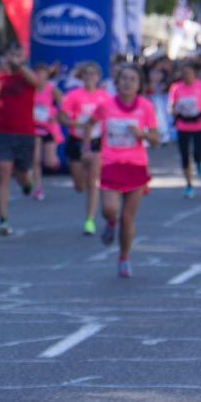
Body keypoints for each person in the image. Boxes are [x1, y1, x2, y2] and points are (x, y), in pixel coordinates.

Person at [89, 64, 160, 277]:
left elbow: (156, 139)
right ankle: (110, 223)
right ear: (117, 83)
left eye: (132, 79)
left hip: (136, 167)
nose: (128, 83)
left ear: (139, 85)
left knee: (128, 219)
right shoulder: (106, 106)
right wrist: (86, 145)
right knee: (110, 209)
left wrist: (142, 134)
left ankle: (124, 257)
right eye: (124, 78)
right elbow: (91, 123)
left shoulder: (146, 107)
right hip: (111, 164)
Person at [0, 45, 45, 235]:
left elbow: (36, 82)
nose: (13, 58)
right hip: (3, 133)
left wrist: (19, 65)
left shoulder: (26, 76)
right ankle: (3, 219)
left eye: (18, 55)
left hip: (25, 133)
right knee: (3, 172)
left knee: (21, 175)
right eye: (11, 54)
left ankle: (27, 184)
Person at [60, 61, 111, 234]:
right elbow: (62, 117)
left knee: (93, 181)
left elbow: (111, 117)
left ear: (98, 77)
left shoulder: (104, 97)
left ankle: (89, 220)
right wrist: (77, 123)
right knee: (80, 185)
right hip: (77, 140)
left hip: (97, 142)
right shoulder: (73, 96)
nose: (90, 77)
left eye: (93, 74)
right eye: (86, 74)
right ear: (82, 77)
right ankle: (80, 186)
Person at [168, 64, 201, 198]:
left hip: (199, 124)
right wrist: (173, 111)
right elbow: (171, 105)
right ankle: (189, 185)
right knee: (185, 156)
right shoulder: (176, 87)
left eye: (189, 73)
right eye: (184, 73)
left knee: (198, 153)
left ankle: (199, 162)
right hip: (183, 125)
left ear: (194, 74)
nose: (187, 75)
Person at [31, 62, 63, 201]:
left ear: (47, 75)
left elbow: (65, 103)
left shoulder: (51, 89)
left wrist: (55, 114)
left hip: (48, 127)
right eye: (36, 72)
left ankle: (55, 163)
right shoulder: (30, 89)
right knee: (35, 160)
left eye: (42, 72)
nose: (39, 75)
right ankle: (37, 188)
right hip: (34, 127)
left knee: (49, 162)